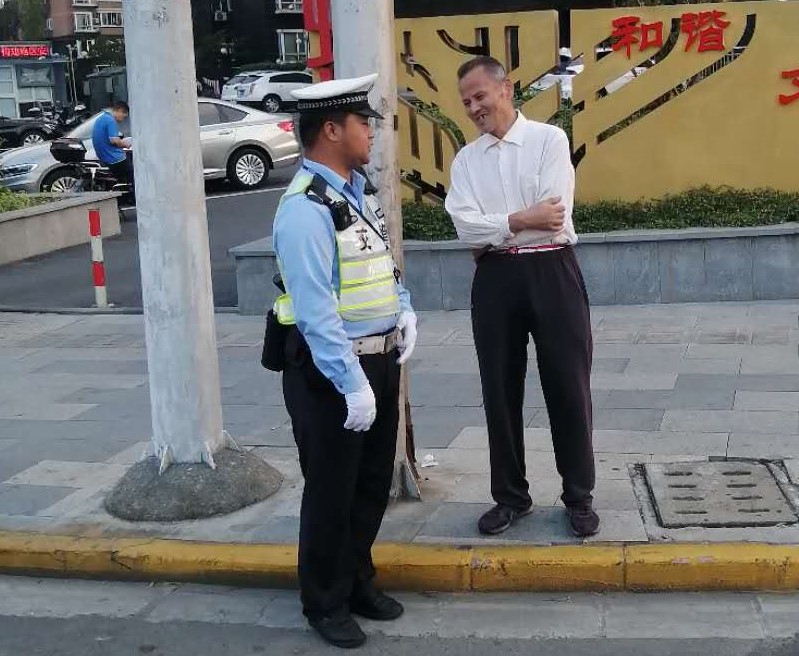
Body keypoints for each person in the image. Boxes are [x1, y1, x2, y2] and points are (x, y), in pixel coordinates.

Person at [271, 73, 417, 649]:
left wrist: (404, 309)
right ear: (331, 130)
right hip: (330, 372)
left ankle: (357, 580)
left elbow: (380, 262)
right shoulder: (304, 209)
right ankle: (324, 602)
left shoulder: (356, 191)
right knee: (332, 490)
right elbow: (314, 311)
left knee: (371, 483)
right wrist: (352, 383)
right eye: (363, 123)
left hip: (378, 360)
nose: (371, 133)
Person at [444, 56, 599, 539]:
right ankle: (510, 496)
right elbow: (464, 227)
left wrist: (496, 227)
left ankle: (579, 496)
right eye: (466, 101)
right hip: (495, 279)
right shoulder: (466, 161)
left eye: (480, 96)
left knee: (568, 385)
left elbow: (553, 216)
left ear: (505, 89)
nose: (474, 108)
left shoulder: (549, 141)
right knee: (499, 388)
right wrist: (516, 221)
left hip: (553, 270)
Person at [91, 100, 134, 188]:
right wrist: (126, 144)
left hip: (104, 156)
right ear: (119, 110)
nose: (124, 118)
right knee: (133, 174)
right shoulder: (111, 120)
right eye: (124, 114)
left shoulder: (102, 117)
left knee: (129, 156)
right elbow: (114, 141)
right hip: (114, 158)